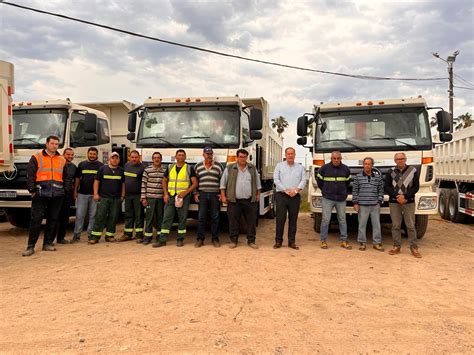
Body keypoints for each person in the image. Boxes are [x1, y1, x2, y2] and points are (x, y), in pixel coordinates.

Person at [22, 135, 71, 256]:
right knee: (36, 220)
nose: (54, 146)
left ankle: (48, 243)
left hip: (57, 194)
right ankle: (30, 246)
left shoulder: (62, 159)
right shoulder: (36, 157)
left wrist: (66, 190)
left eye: (56, 144)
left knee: (53, 219)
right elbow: (30, 175)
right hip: (40, 193)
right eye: (52, 143)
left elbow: (66, 177)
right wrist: (32, 190)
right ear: (46, 144)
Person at [220, 149, 261, 249]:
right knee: (233, 221)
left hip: (249, 200)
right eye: (241, 157)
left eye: (244, 157)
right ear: (237, 157)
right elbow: (222, 184)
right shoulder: (229, 168)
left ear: (247, 157)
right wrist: (223, 196)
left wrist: (258, 195)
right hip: (234, 200)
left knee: (251, 221)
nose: (243, 159)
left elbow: (258, 184)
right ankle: (233, 241)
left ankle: (251, 241)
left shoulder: (252, 168)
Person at [155, 149, 198, 247]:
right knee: (167, 218)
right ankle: (162, 240)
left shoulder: (189, 168)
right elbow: (164, 180)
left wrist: (185, 192)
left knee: (182, 219)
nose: (181, 157)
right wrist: (165, 194)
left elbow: (195, 183)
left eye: (183, 155)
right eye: (179, 155)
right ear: (176, 157)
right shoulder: (170, 167)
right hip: (170, 196)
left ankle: (180, 239)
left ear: (185, 157)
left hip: (183, 197)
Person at [384, 152, 422, 258]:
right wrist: (397, 196)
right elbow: (387, 187)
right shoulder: (390, 172)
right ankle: (396, 246)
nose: (400, 161)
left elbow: (416, 187)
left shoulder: (413, 171)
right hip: (394, 202)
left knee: (410, 225)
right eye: (397, 159)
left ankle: (413, 248)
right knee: (396, 225)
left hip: (408, 201)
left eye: (402, 158)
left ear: (405, 159)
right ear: (395, 161)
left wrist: (405, 197)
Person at [316, 151, 352, 250]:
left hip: (341, 199)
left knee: (342, 220)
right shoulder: (324, 168)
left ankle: (344, 241)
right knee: (325, 220)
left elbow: (347, 182)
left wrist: (342, 192)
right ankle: (323, 241)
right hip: (328, 198)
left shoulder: (346, 169)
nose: (336, 160)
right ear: (331, 158)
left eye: (338, 158)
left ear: (341, 158)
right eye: (334, 158)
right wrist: (326, 191)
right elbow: (319, 182)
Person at [273, 147, 306, 250]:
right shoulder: (279, 166)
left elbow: (303, 180)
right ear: (285, 155)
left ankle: (292, 242)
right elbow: (276, 180)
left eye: (292, 154)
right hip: (282, 195)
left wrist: (295, 191)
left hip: (294, 197)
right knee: (280, 219)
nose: (290, 155)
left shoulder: (300, 168)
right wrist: (285, 190)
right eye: (288, 154)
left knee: (293, 220)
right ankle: (278, 241)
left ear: (295, 155)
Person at [89, 152, 125, 244]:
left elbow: (123, 184)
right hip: (104, 197)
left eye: (117, 158)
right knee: (100, 217)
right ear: (109, 159)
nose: (115, 160)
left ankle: (109, 236)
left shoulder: (121, 170)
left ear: (119, 160)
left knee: (113, 217)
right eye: (113, 158)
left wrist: (122, 196)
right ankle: (95, 237)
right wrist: (96, 193)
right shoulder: (102, 169)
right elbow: (96, 181)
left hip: (116, 198)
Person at [194, 147, 224, 248]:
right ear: (203, 154)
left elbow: (222, 181)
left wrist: (221, 193)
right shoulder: (198, 166)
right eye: (207, 154)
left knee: (215, 217)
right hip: (202, 194)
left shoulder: (218, 166)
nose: (209, 155)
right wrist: (195, 193)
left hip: (214, 195)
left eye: (210, 153)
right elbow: (194, 181)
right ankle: (200, 239)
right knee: (201, 217)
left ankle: (215, 239)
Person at [352, 157, 384, 251]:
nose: (367, 165)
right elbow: (355, 191)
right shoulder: (358, 177)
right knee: (362, 224)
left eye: (369, 164)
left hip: (374, 205)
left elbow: (380, 190)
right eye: (365, 164)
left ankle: (377, 243)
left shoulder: (378, 177)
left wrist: (379, 201)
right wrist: (355, 203)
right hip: (362, 205)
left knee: (376, 225)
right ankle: (362, 243)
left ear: (372, 165)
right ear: (363, 165)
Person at [72, 147, 103, 243]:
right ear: (87, 154)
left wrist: (98, 194)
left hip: (95, 195)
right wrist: (75, 191)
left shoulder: (101, 166)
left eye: (94, 154)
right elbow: (77, 179)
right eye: (91, 153)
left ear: (97, 155)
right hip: (82, 194)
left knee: (93, 215)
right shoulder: (82, 165)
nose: (92, 155)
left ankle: (91, 234)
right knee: (80, 215)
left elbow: (101, 181)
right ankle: (77, 235)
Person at [117, 150, 146, 243]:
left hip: (138, 195)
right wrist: (123, 194)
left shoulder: (143, 168)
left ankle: (139, 235)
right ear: (129, 157)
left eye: (136, 157)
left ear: (139, 157)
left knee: (139, 215)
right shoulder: (126, 165)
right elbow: (124, 181)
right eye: (132, 157)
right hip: (128, 195)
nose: (134, 159)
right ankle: (127, 234)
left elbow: (144, 183)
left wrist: (143, 196)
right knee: (128, 215)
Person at [139, 152, 166, 247]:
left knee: (160, 218)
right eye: (155, 158)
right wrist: (143, 198)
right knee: (149, 218)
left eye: (158, 158)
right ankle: (147, 237)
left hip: (160, 199)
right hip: (150, 198)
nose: (157, 159)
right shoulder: (147, 170)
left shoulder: (165, 170)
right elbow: (143, 184)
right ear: (152, 159)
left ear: (161, 159)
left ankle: (159, 236)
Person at [55, 148, 77, 244]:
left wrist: (74, 192)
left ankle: (61, 238)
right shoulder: (57, 164)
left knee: (64, 217)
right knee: (54, 217)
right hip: (57, 194)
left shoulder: (73, 167)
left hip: (67, 195)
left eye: (72, 155)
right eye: (68, 154)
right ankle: (50, 240)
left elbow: (75, 180)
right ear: (63, 154)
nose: (70, 156)